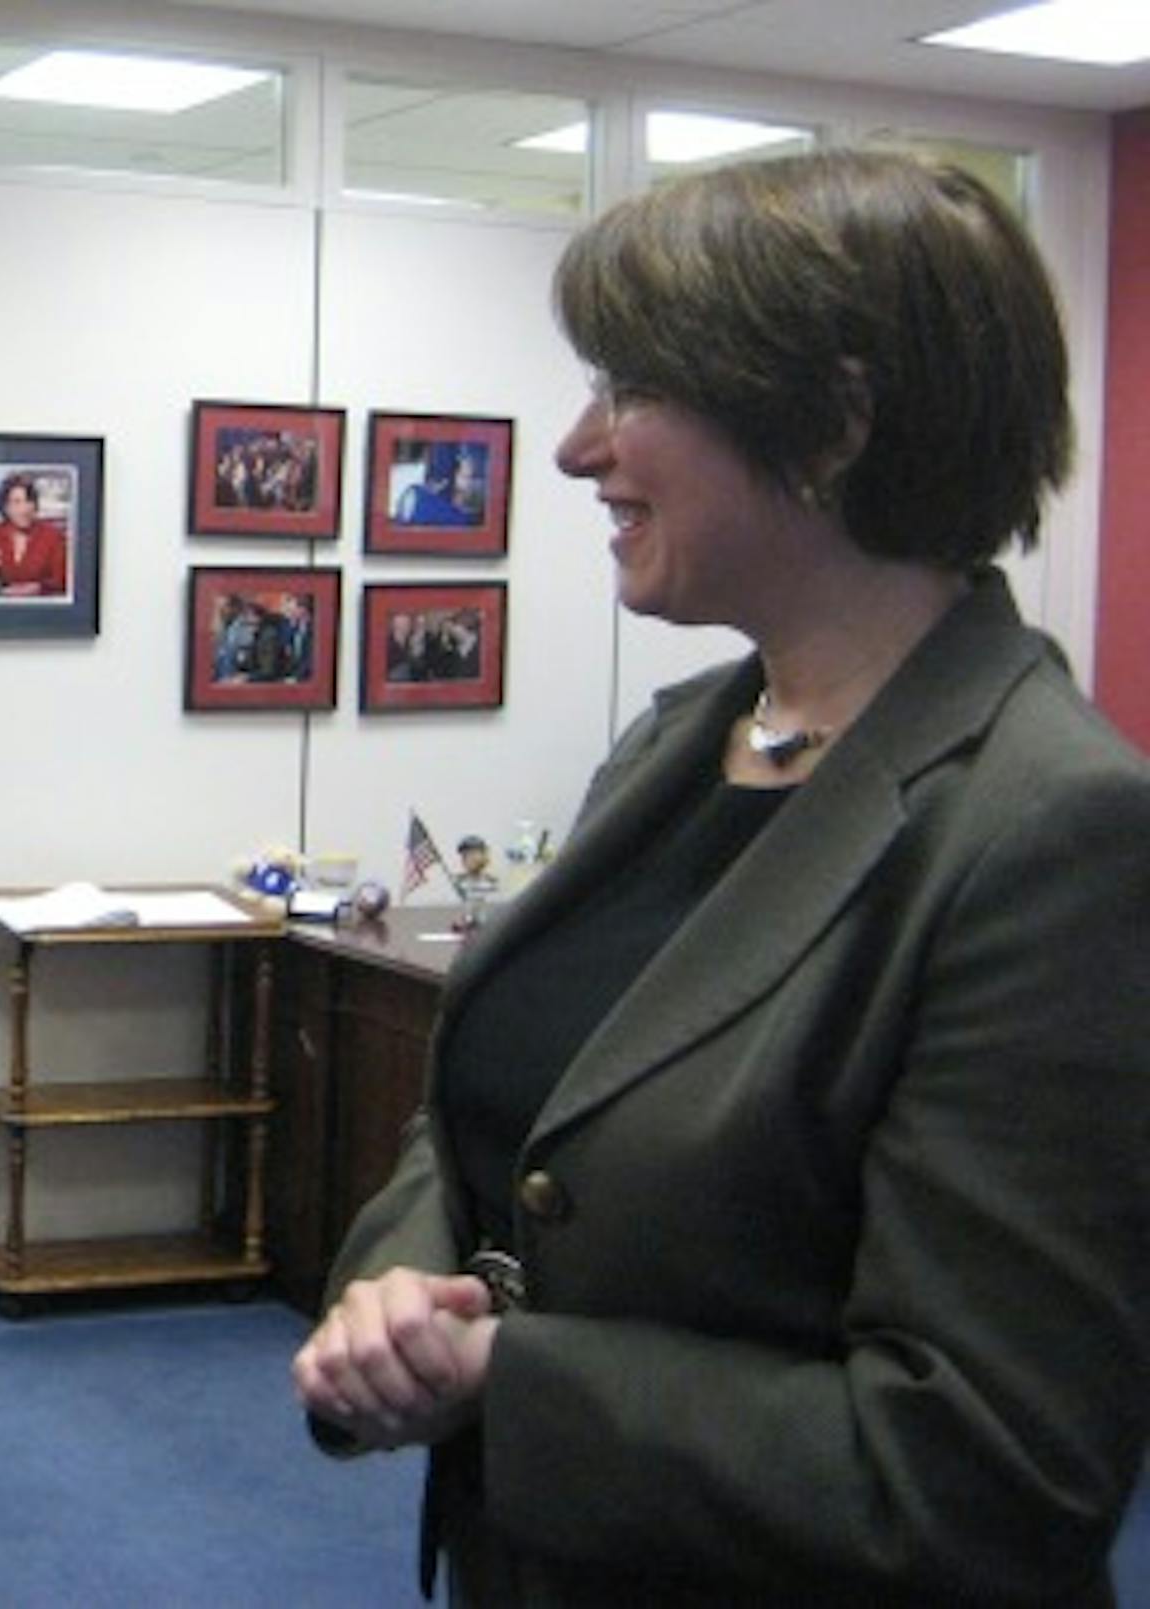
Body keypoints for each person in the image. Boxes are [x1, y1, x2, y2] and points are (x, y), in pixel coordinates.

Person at [293, 149, 1150, 1606]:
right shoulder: (679, 745)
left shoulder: (1048, 831)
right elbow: (497, 1123)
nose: (575, 448)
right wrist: (396, 1293)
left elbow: (984, 1464)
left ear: (832, 422)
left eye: (631, 389)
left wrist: (512, 1376)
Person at [0, 472, 67, 598]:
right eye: (16, 502)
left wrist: (37, 588)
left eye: (29, 501)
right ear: (5, 507)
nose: (24, 509)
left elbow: (61, 581)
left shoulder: (53, 536)